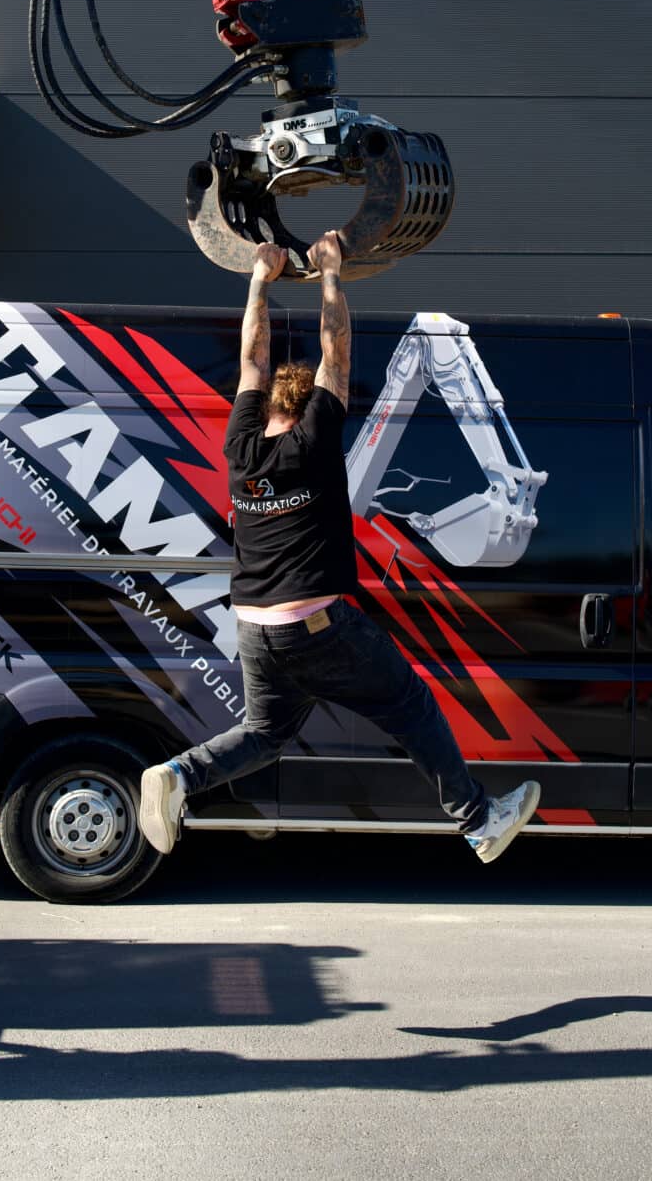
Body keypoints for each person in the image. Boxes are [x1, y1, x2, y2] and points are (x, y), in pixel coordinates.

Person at [137, 230, 541, 864]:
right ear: (308, 408)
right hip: (315, 625)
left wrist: (259, 279)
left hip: (253, 627)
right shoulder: (314, 440)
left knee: (266, 733)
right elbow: (337, 352)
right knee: (409, 703)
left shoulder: (242, 445)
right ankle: (477, 819)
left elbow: (251, 360)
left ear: (268, 407)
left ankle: (178, 775)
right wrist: (330, 272)